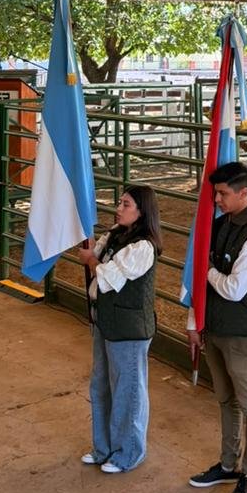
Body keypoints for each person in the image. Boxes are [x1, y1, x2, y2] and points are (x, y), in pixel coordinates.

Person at [188, 162, 247, 493]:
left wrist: (206, 270)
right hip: (217, 327)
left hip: (242, 331)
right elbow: (211, 286)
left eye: (223, 193)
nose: (217, 199)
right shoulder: (222, 224)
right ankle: (228, 463)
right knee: (226, 399)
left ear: (244, 193)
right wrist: (195, 322)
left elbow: (235, 288)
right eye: (216, 193)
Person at [76, 185, 162, 474]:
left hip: (129, 327)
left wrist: (92, 260)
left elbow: (110, 274)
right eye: (120, 202)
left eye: (126, 204)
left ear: (141, 211)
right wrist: (87, 248)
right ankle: (103, 447)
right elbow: (94, 252)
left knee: (128, 389)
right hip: (106, 320)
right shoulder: (114, 234)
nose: (119, 208)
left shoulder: (143, 247)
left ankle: (129, 452)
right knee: (101, 383)